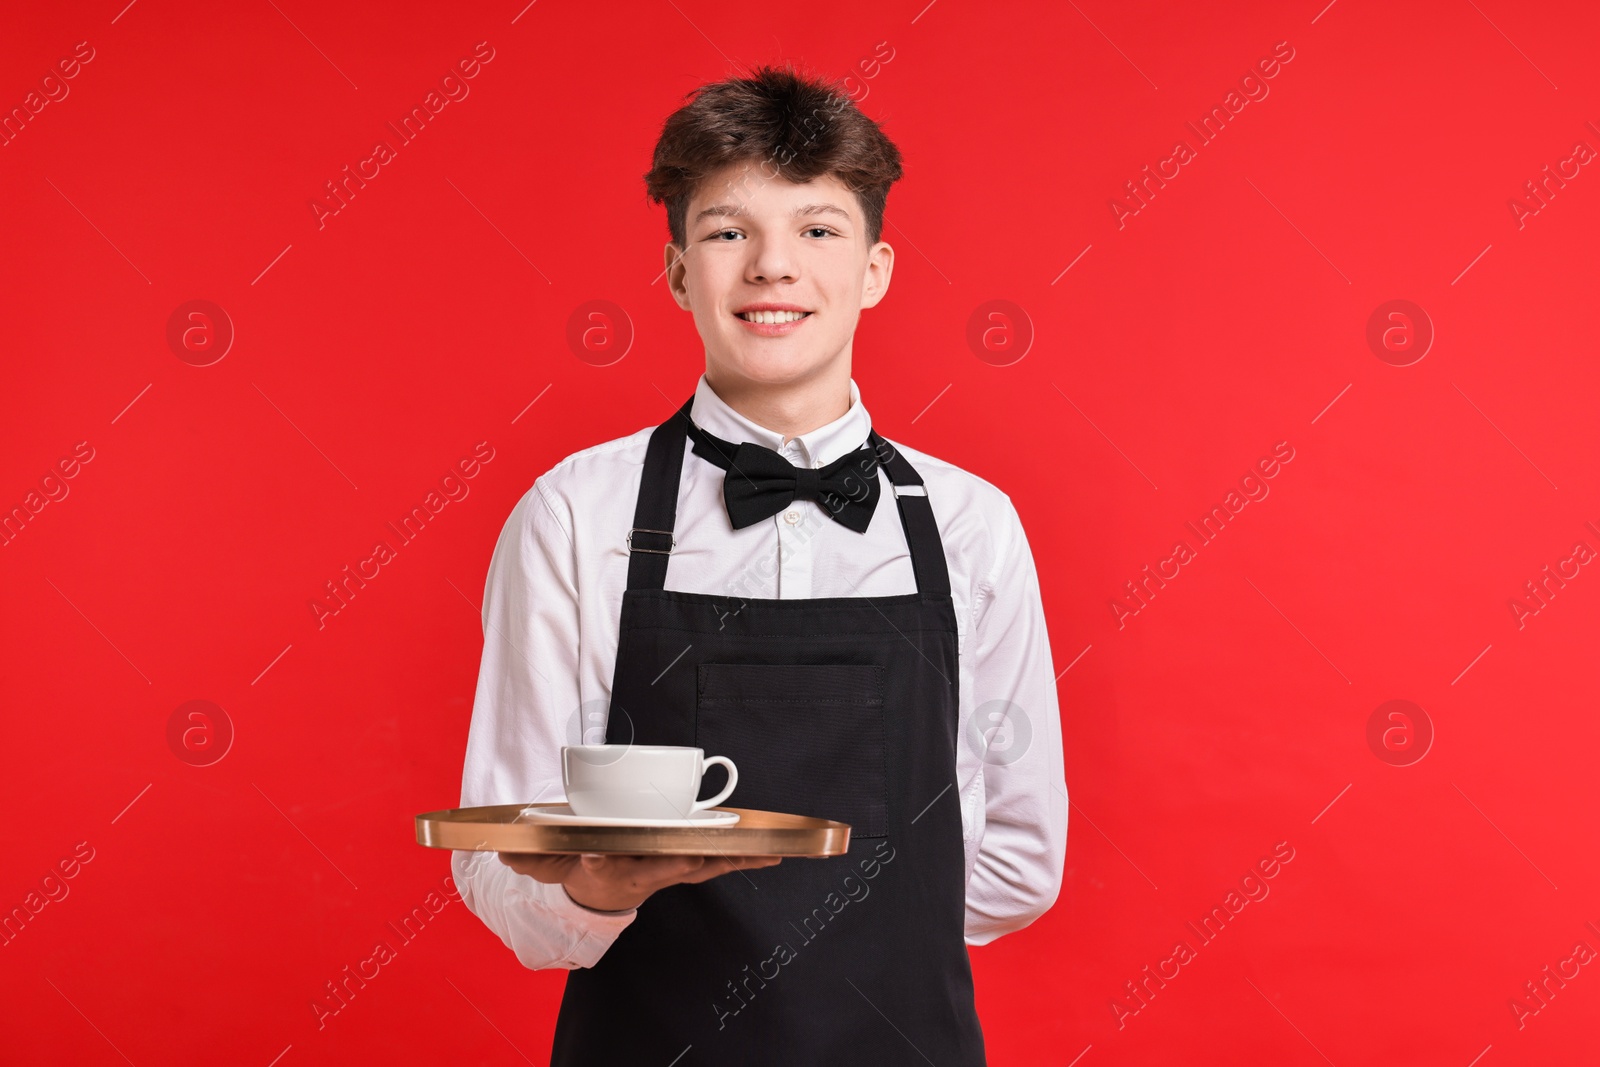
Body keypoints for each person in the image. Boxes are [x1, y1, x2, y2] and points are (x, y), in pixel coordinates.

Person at [451, 63, 1066, 1065]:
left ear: (874, 268)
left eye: (817, 230)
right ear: (678, 270)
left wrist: (863, 953)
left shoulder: (969, 524)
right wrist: (596, 890)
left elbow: (1018, 862)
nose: (771, 266)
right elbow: (502, 864)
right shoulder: (573, 513)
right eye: (728, 231)